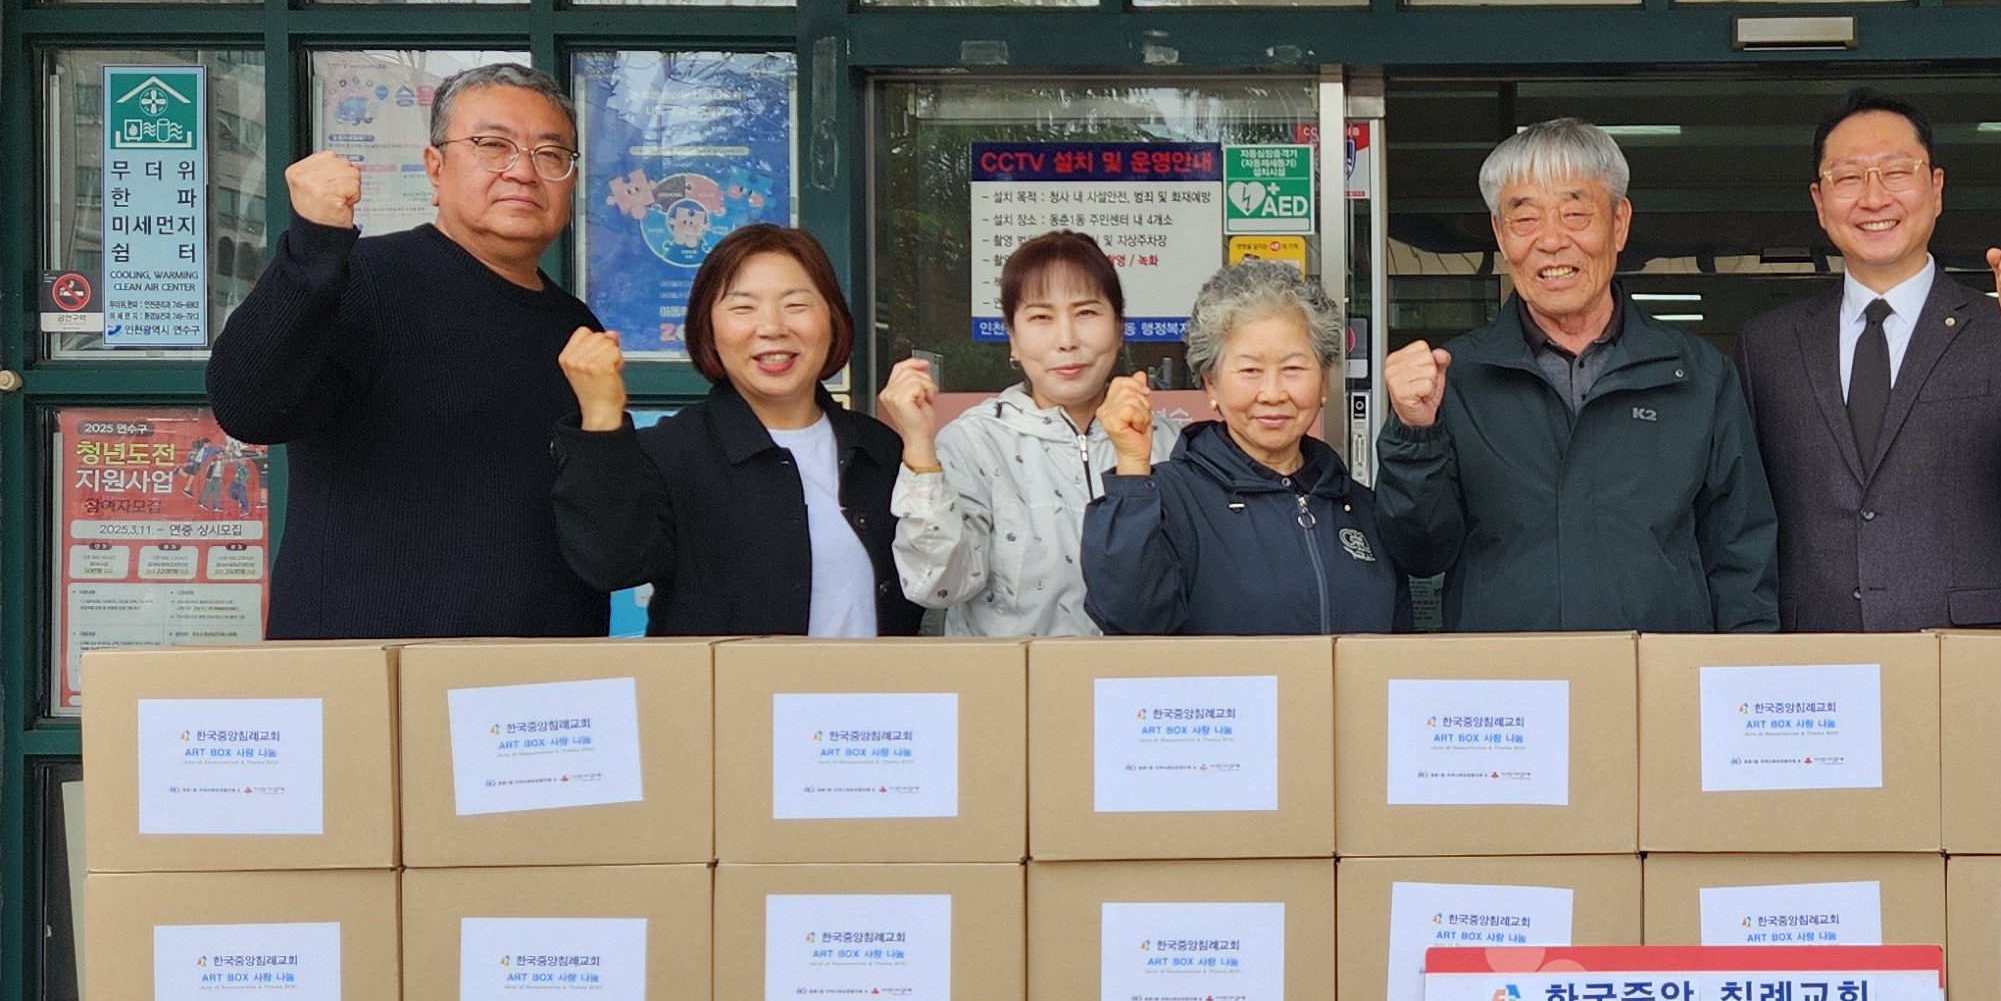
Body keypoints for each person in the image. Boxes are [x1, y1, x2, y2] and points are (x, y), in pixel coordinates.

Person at [207, 61, 606, 639]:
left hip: (527, 701)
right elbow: (247, 406)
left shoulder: (574, 328)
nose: (523, 172)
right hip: (368, 683)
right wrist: (314, 246)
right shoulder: (359, 280)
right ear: (435, 168)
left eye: (551, 155)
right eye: (493, 145)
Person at [1374, 119, 1777, 631]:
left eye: (1575, 213)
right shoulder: (1456, 379)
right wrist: (1414, 433)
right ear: (1499, 234)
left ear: (1619, 222)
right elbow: (1420, 552)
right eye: (1525, 219)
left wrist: (1732, 685)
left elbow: (1743, 557)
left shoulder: (1697, 376)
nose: (1551, 241)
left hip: (1655, 688)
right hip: (1507, 696)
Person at [1736, 90, 2001, 629]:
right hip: (1813, 660)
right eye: (1848, 178)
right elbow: (1740, 520)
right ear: (1820, 203)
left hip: (1966, 658)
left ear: (1935, 189)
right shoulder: (1768, 346)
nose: (1873, 198)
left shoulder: (1999, 331)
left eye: (1895, 172)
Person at [552, 224, 917, 636]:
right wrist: (601, 416)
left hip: (874, 697)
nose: (772, 327)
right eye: (743, 308)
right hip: (728, 699)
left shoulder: (878, 449)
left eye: (796, 305)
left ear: (832, 319)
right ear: (708, 327)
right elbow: (609, 563)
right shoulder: (672, 452)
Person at [1082, 260, 1413, 635]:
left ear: (1324, 383)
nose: (1272, 394)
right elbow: (1127, 620)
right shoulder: (1167, 501)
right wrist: (1131, 468)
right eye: (1250, 371)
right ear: (1211, 385)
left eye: (1293, 369)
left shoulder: (1359, 507)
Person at [874, 230, 1176, 636]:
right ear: (1013, 338)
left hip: (1137, 694)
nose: (1066, 341)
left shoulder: (1170, 444)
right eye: (1041, 318)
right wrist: (920, 452)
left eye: (1086, 313)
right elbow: (936, 585)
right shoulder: (973, 443)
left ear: (1119, 328)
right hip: (1012, 693)